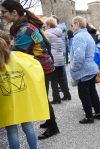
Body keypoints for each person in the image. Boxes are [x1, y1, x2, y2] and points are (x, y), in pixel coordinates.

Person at [1, 0, 60, 140]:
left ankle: (53, 127)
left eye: (3, 12)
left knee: (43, 98)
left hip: (41, 68)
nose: (1, 15)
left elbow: (13, 54)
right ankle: (48, 121)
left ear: (14, 12)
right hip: (41, 66)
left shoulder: (25, 30)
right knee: (42, 96)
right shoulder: (25, 25)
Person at [0, 30, 49, 149]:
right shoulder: (20, 57)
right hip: (23, 99)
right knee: (28, 126)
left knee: (11, 131)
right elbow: (35, 67)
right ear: (11, 43)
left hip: (6, 103)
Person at [70, 16, 100, 124]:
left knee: (84, 94)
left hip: (84, 70)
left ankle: (89, 117)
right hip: (91, 68)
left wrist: (73, 70)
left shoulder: (79, 37)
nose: (72, 27)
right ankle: (98, 113)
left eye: (72, 24)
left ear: (77, 24)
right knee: (92, 92)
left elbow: (79, 57)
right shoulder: (88, 35)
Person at [44, 17, 71, 103]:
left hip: (53, 59)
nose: (44, 26)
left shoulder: (47, 34)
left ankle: (56, 98)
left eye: (45, 24)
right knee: (61, 78)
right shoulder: (59, 33)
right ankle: (67, 95)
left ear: (48, 25)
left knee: (53, 80)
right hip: (60, 58)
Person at [51, 15, 68, 87]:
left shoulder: (57, 29)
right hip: (61, 50)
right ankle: (64, 85)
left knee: (61, 69)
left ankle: (64, 86)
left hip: (59, 51)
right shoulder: (61, 28)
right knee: (61, 69)